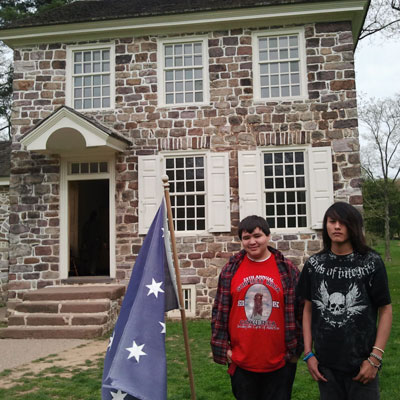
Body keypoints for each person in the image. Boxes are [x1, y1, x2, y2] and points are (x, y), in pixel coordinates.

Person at [297, 202, 392, 400]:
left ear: (353, 226)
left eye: (343, 222)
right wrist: (308, 354)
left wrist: (375, 358)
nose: (337, 226)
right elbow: (307, 309)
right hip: (326, 365)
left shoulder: (371, 262)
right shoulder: (314, 265)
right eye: (332, 221)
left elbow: (385, 309)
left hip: (362, 363)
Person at [211, 215, 303, 400]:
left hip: (280, 363)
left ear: (268, 237)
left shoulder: (287, 269)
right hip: (242, 363)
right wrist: (225, 350)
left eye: (257, 236)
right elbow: (219, 311)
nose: (252, 242)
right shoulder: (231, 269)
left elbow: (301, 312)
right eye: (246, 238)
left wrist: (295, 351)